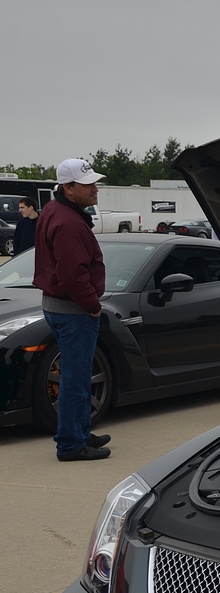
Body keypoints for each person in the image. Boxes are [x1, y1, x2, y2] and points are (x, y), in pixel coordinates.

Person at [33, 159, 112, 461]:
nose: (95, 188)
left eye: (95, 182)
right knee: (76, 379)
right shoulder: (68, 222)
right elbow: (71, 275)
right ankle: (71, 444)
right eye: (87, 184)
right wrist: (93, 305)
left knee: (76, 376)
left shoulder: (55, 210)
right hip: (73, 311)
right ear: (68, 188)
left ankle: (80, 432)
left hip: (60, 307)